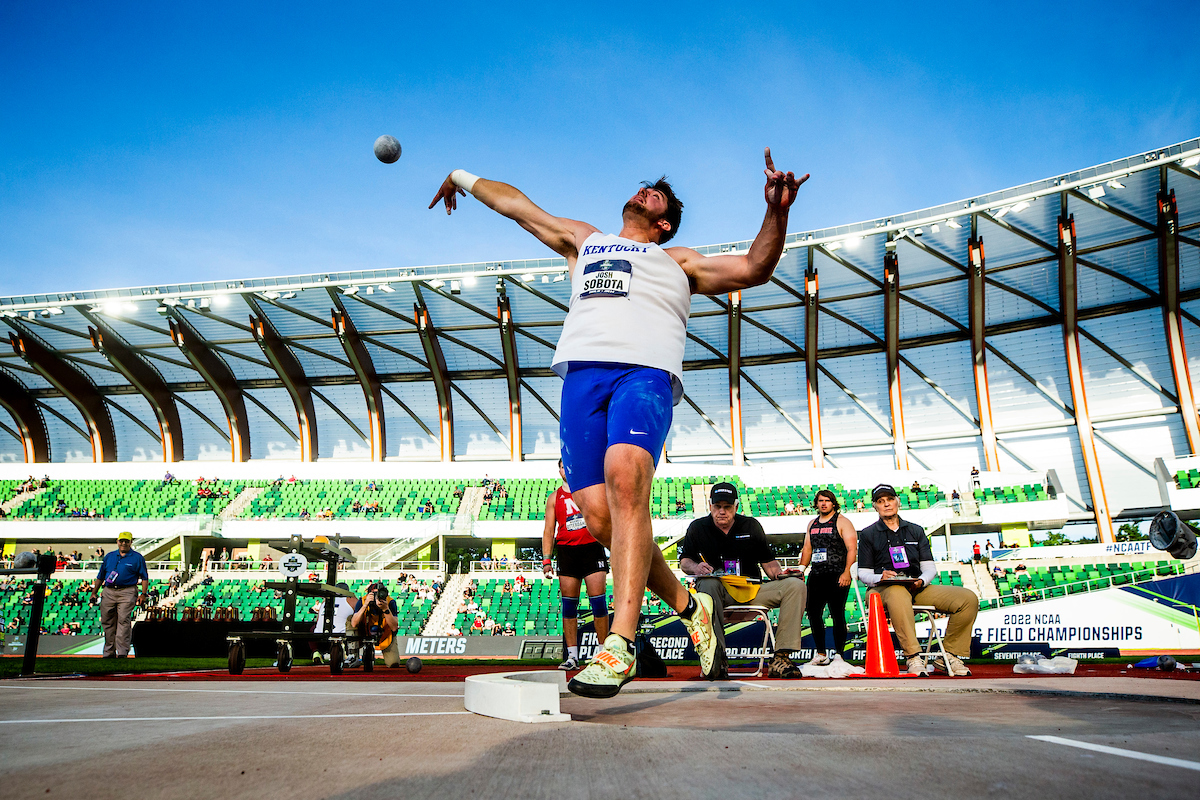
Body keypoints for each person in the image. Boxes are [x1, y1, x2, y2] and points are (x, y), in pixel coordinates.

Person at [431, 148, 806, 698]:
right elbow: (518, 207)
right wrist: (460, 175)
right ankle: (689, 604)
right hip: (582, 379)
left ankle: (620, 645)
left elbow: (755, 267)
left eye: (657, 193)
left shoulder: (679, 261)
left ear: (664, 222)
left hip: (645, 373)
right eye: (645, 186)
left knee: (627, 479)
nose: (646, 188)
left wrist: (776, 211)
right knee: (602, 519)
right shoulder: (588, 241)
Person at [679, 483, 808, 680]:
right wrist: (696, 568)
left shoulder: (751, 526)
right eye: (717, 506)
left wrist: (781, 574)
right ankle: (717, 656)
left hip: (753, 590)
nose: (722, 511)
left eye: (727, 507)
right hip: (718, 592)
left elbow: (769, 562)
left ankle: (781, 657)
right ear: (710, 506)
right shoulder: (697, 528)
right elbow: (685, 561)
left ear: (736, 507)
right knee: (706, 583)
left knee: (795, 585)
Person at [857, 484, 978, 677]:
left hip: (915, 588)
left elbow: (929, 568)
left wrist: (921, 581)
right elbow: (862, 572)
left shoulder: (916, 530)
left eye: (889, 499)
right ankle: (913, 656)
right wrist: (880, 577)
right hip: (882, 590)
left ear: (897, 501)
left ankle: (949, 655)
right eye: (881, 501)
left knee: (967, 598)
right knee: (897, 592)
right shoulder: (868, 533)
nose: (886, 504)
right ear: (875, 507)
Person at [543, 457, 611, 671]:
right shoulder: (554, 498)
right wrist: (546, 559)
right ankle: (572, 655)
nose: (566, 469)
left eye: (569, 465)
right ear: (559, 470)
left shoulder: (589, 491)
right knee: (569, 606)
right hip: (567, 552)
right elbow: (548, 530)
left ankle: (602, 652)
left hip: (592, 548)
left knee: (599, 603)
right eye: (563, 466)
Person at [800, 489, 857, 665]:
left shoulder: (843, 522)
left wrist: (847, 571)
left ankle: (839, 653)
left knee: (837, 613)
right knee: (813, 613)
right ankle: (821, 653)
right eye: (820, 501)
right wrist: (801, 570)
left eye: (827, 500)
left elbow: (852, 548)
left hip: (837, 573)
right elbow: (807, 549)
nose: (824, 503)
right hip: (817, 574)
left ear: (833, 503)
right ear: (816, 503)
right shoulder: (812, 523)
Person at [89, 531, 148, 658]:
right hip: (109, 591)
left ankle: (122, 652)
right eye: (121, 541)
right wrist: (94, 592)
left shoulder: (137, 557)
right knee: (107, 621)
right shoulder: (109, 556)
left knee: (123, 620)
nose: (123, 543)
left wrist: (143, 594)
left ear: (131, 542)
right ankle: (109, 651)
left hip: (127, 591)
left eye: (126, 541)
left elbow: (144, 577)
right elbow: (100, 576)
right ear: (117, 542)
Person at [349, 582, 400, 667]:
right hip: (364, 631)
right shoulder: (362, 601)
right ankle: (353, 655)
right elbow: (354, 623)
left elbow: (394, 627)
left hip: (385, 634)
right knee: (349, 619)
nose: (377, 597)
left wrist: (386, 609)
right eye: (374, 594)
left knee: (393, 663)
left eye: (379, 593)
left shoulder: (389, 602)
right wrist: (365, 605)